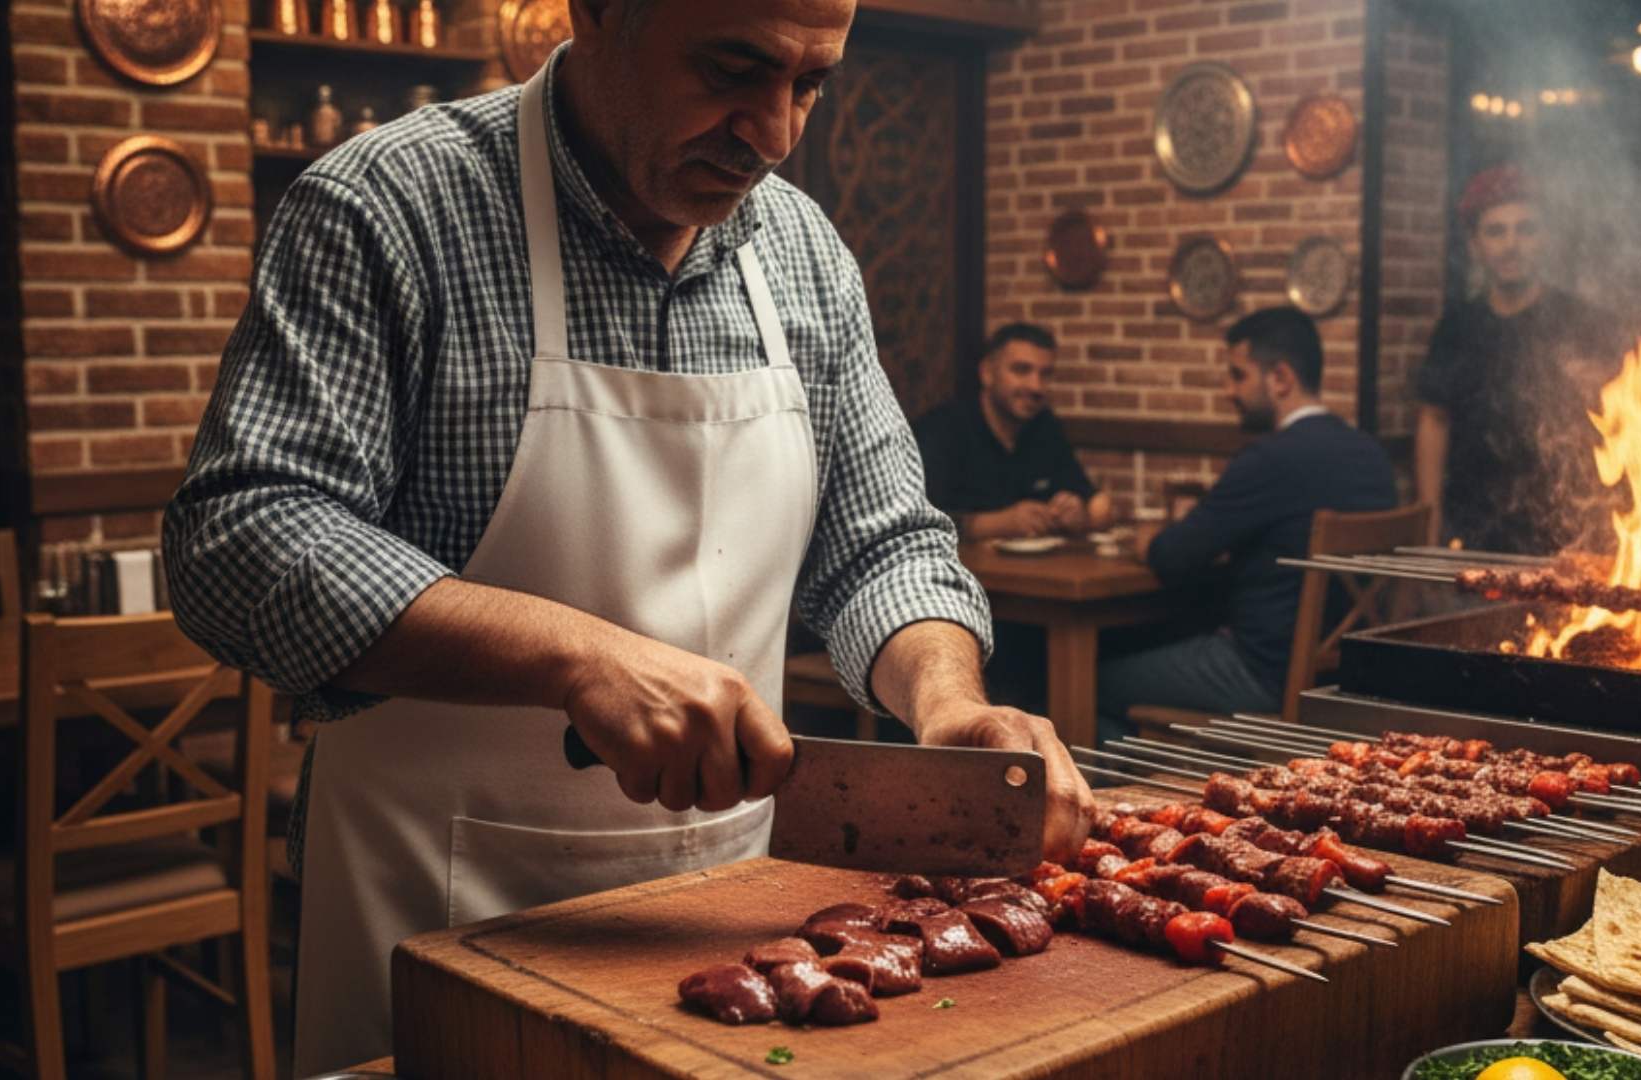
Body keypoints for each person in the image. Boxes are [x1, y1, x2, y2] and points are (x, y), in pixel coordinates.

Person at [161, 1, 1092, 1071]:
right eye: (732, 69)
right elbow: (241, 536)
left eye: (810, 85)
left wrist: (946, 700)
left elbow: (882, 542)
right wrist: (577, 657)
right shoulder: (391, 206)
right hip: (437, 912)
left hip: (729, 921)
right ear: (597, 13)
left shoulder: (806, 255)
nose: (775, 132)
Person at [1096, 308, 1396, 744]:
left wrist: (1145, 541)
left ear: (1280, 378)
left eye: (1238, 375)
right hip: (1346, 676)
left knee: (1093, 679)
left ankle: (1113, 781)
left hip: (1262, 672)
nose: (1228, 390)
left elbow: (1172, 555)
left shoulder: (1269, 460)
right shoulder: (1370, 456)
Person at [1414, 163, 1613, 554]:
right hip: (1472, 526)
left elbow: (1616, 425)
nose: (1511, 244)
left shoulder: (1579, 321)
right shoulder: (1456, 326)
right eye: (1496, 231)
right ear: (1476, 245)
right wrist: (1429, 521)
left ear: (1545, 238)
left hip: (1562, 531)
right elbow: (1433, 421)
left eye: (1526, 229)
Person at [914, 323, 1114, 539]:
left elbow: (1096, 504)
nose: (1036, 386)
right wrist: (994, 524)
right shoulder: (942, 430)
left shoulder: (1044, 426)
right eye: (1021, 370)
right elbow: (911, 520)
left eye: (1045, 374)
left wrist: (1079, 514)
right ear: (987, 373)